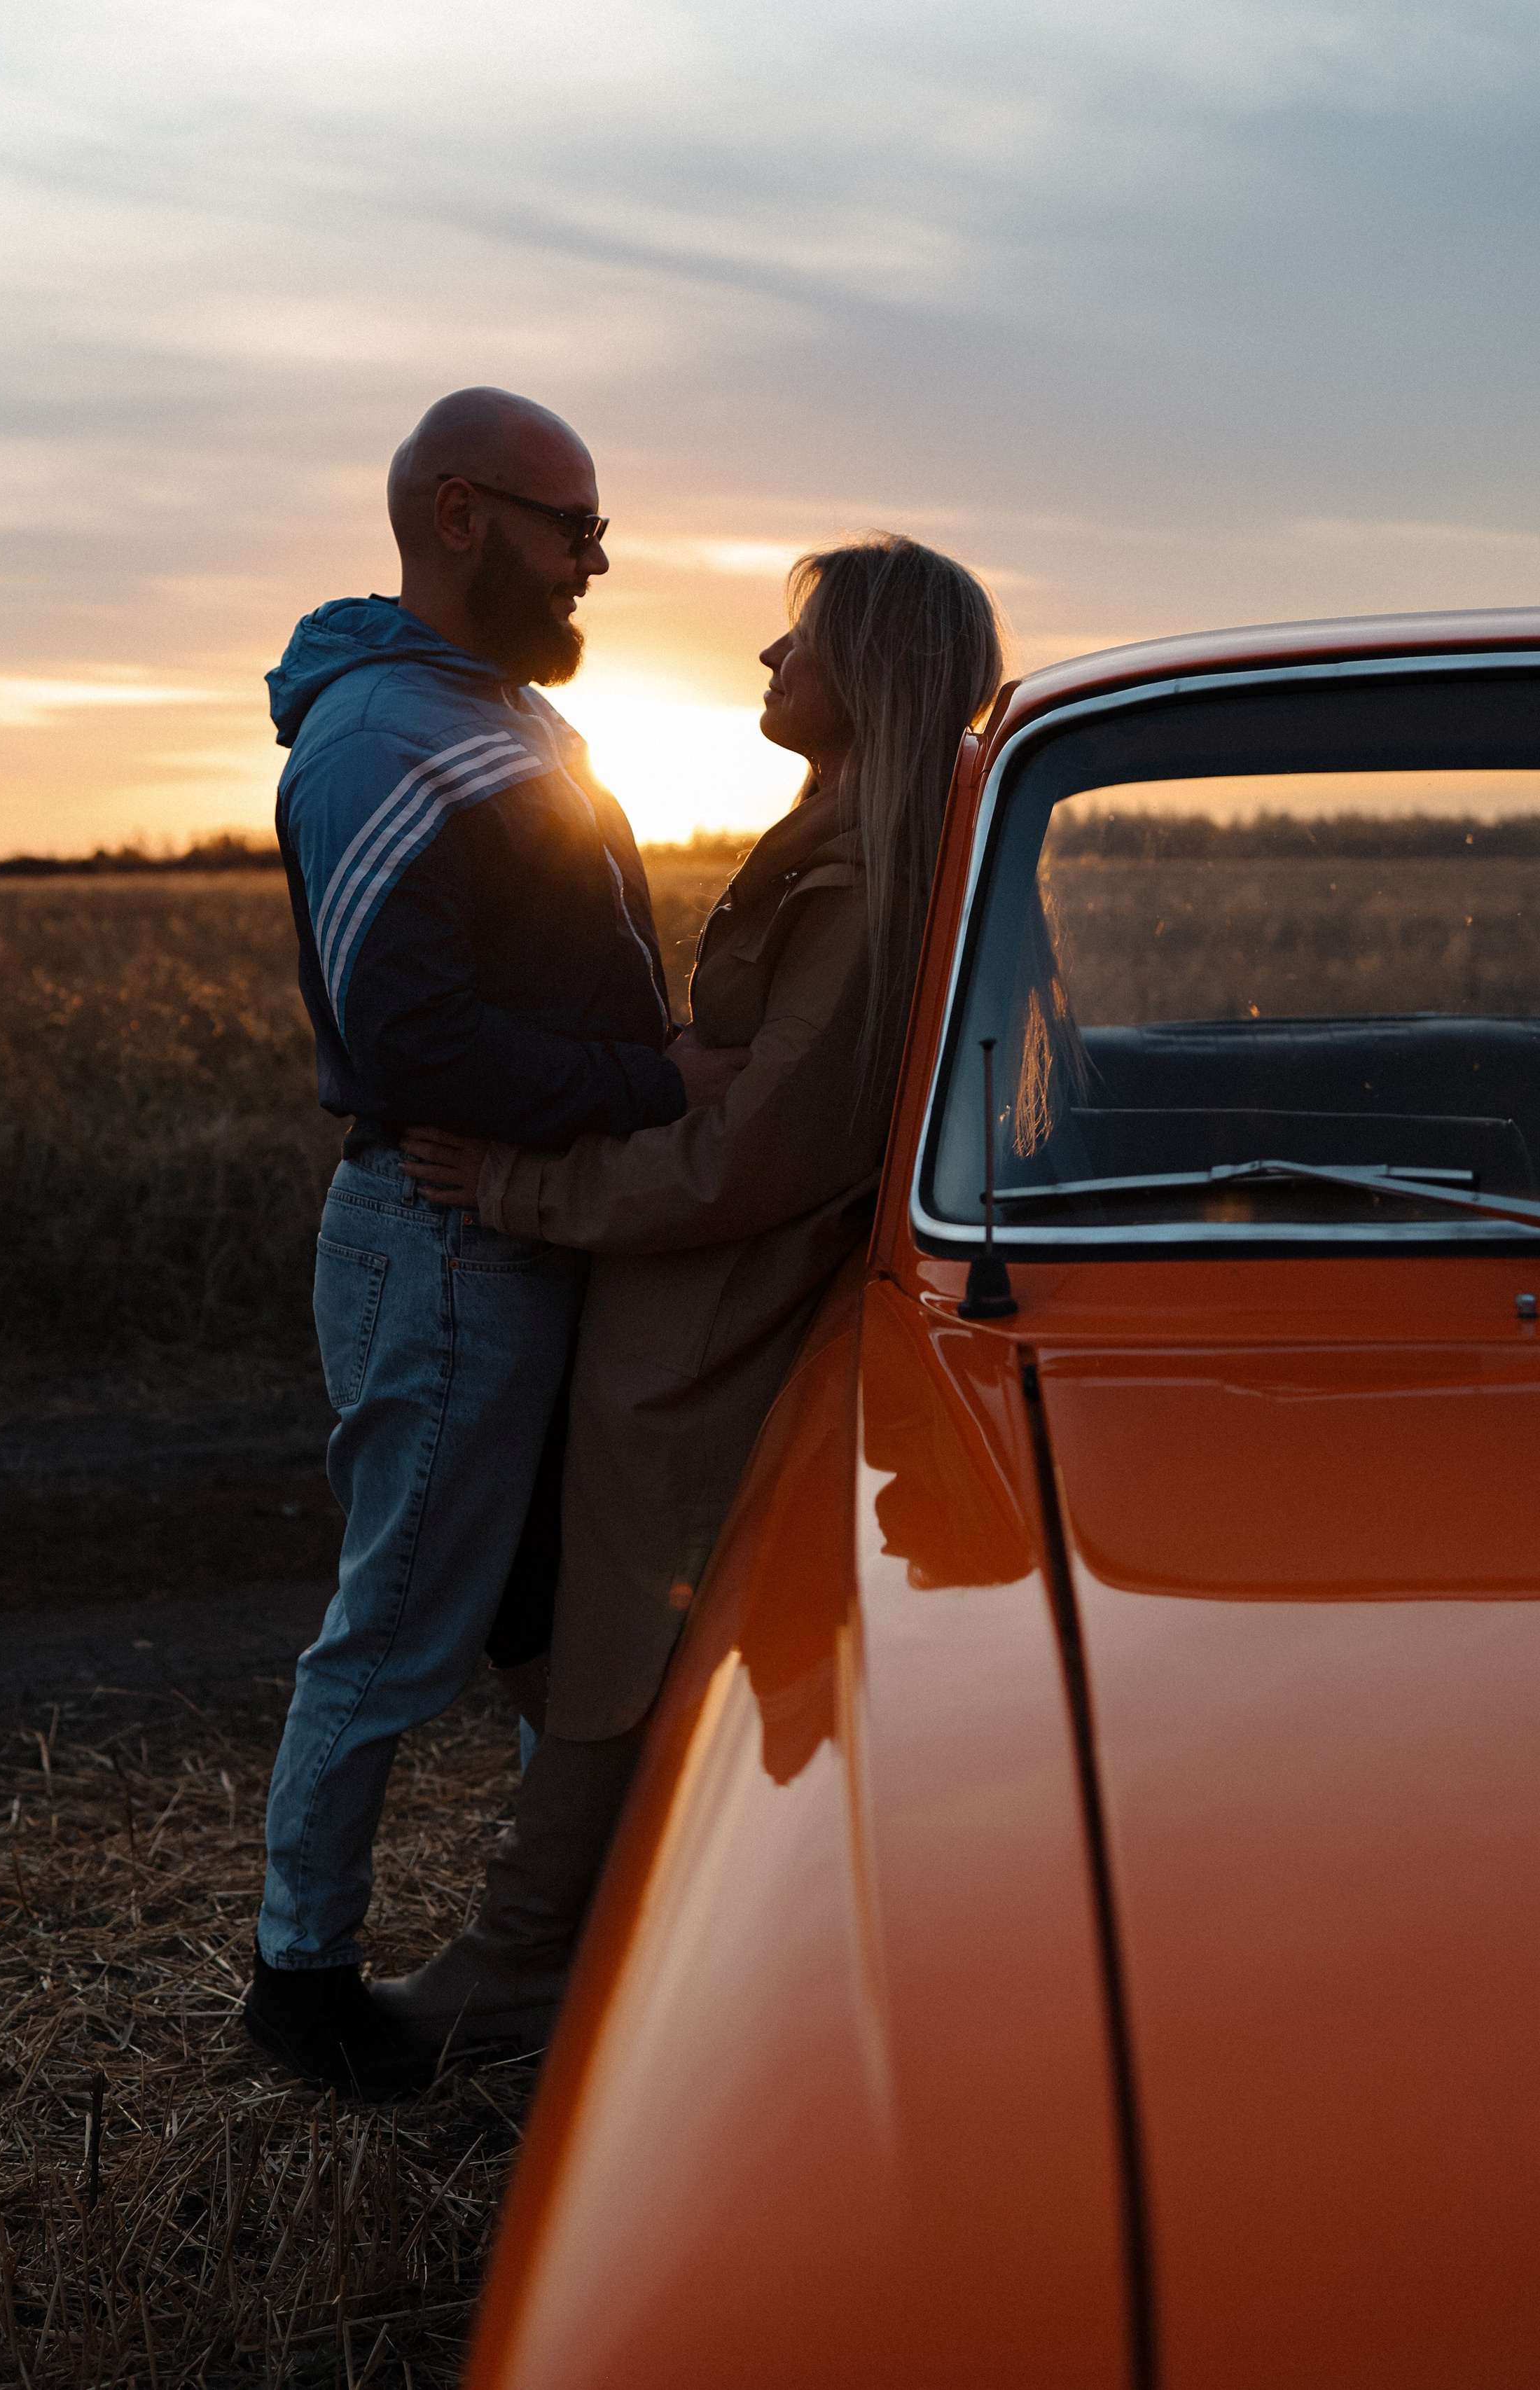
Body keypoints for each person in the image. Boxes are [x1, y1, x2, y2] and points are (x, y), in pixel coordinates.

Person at [378, 533, 1004, 2052]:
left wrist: (519, 1187)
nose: (768, 661)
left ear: (872, 673)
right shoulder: (840, 841)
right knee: (622, 1621)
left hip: (711, 1316)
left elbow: (744, 1163)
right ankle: (680, 1919)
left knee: (621, 1628)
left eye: (801, 640)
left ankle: (530, 1956)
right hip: (693, 1302)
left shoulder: (859, 878)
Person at [245, 387, 747, 2096]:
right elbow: (413, 1041)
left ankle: (577, 1936)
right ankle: (301, 1985)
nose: (593, 563)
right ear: (458, 515)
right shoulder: (386, 735)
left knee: (546, 1604)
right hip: (444, 1239)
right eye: (570, 527)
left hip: (512, 1226)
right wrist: (650, 1086)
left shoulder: (499, 714)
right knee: (400, 1616)